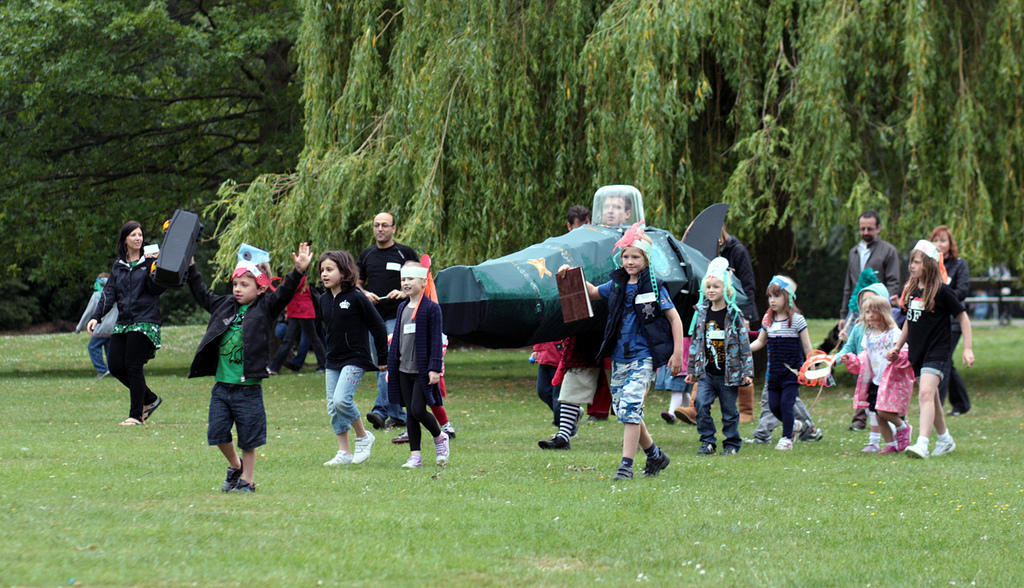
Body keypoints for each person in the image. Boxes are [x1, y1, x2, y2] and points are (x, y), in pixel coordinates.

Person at [556, 223, 682, 479]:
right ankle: (656, 456)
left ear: (646, 258)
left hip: (643, 357)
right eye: (626, 256)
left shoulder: (655, 287)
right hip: (620, 359)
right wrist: (570, 275)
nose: (630, 261)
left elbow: (675, 319)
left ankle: (626, 466)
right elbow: (591, 291)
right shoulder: (616, 285)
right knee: (625, 411)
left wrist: (677, 353)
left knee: (632, 408)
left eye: (635, 256)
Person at [185, 243, 312, 492]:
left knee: (248, 438)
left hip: (248, 388)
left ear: (260, 287)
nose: (238, 289)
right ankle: (235, 466)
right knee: (218, 432)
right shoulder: (224, 305)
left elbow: (284, 293)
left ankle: (248, 481)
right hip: (222, 386)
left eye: (245, 285)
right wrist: (191, 268)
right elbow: (201, 292)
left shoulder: (265, 308)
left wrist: (298, 271)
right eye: (235, 284)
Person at [887, 240, 975, 459]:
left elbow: (963, 317)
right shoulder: (912, 290)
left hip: (938, 351)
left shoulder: (943, 292)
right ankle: (945, 439)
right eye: (911, 262)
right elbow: (909, 320)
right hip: (918, 352)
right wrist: (898, 346)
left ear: (928, 264)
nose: (911, 266)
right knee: (932, 396)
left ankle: (922, 444)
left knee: (925, 393)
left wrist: (968, 348)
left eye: (916, 262)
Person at [86, 221, 167, 426]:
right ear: (125, 240)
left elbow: (157, 289)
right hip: (124, 322)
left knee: (133, 365)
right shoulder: (118, 266)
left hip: (145, 321)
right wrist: (97, 316)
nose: (138, 238)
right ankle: (149, 399)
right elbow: (109, 293)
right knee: (114, 365)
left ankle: (136, 415)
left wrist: (155, 267)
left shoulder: (150, 262)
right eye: (133, 235)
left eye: (140, 234)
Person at [315, 250, 388, 466]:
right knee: (333, 406)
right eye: (322, 271)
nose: (324, 274)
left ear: (344, 271)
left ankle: (364, 436)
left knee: (341, 400)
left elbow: (378, 327)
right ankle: (344, 452)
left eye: (329, 269)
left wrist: (382, 357)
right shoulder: (324, 300)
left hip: (355, 358)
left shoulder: (357, 297)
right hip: (333, 360)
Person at [839, 211, 902, 430]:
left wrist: (882, 307)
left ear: (878, 228)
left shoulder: (888, 251)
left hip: (879, 314)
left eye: (870, 228)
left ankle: (889, 412)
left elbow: (894, 282)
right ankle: (860, 417)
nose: (866, 232)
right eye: (862, 228)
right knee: (860, 360)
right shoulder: (854, 252)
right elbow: (849, 285)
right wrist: (844, 314)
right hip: (858, 313)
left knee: (877, 363)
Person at [685, 258, 754, 456]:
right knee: (701, 404)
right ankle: (707, 441)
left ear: (726, 289)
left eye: (716, 286)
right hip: (707, 373)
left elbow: (744, 345)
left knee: (729, 411)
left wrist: (747, 371)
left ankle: (732, 442)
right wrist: (691, 370)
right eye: (708, 287)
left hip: (728, 375)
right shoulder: (702, 314)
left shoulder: (733, 315)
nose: (712, 290)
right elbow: (697, 343)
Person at [358, 212, 417, 430]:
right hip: (372, 319)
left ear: (394, 228)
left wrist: (403, 291)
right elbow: (356, 283)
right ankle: (396, 414)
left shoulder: (405, 252)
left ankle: (381, 410)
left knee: (390, 363)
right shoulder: (366, 255)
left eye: (384, 225)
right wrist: (364, 294)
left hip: (398, 317)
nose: (380, 229)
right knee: (383, 366)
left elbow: (421, 280)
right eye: (376, 225)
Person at [388, 260, 449, 468]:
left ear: (423, 281)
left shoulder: (431, 309)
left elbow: (435, 340)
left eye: (410, 278)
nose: (406, 283)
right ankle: (415, 456)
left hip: (422, 371)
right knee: (410, 414)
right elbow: (397, 340)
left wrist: (434, 368)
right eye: (403, 279)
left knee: (418, 410)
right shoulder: (402, 308)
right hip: (403, 369)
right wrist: (392, 368)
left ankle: (440, 436)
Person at [843, 295, 915, 455]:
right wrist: (851, 359)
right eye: (866, 312)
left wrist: (897, 355)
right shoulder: (868, 336)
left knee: (883, 411)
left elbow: (905, 352)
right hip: (876, 381)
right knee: (878, 415)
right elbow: (864, 356)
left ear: (883, 313)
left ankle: (903, 428)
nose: (868, 315)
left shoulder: (894, 333)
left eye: (872, 311)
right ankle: (891, 444)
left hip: (892, 380)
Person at [749, 276, 812, 451]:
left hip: (792, 373)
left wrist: (811, 364)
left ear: (788, 297)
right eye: (770, 296)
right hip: (774, 373)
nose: (772, 300)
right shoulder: (768, 320)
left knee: (786, 404)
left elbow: (807, 346)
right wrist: (745, 349)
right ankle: (793, 425)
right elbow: (760, 342)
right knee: (774, 407)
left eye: (777, 296)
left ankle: (786, 439)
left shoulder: (798, 320)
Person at [836, 283, 892, 452]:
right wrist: (833, 361)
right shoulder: (859, 327)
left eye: (872, 301)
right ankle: (874, 441)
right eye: (864, 302)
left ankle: (897, 434)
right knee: (872, 409)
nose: (867, 306)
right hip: (867, 375)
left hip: (887, 376)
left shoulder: (891, 330)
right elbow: (849, 348)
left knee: (887, 410)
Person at [718, 225, 758, 422]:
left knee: (740, 357)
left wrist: (747, 315)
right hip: (717, 311)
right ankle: (695, 406)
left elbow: (748, 284)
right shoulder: (704, 251)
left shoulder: (736, 250)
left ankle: (746, 410)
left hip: (738, 310)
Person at [931, 225, 971, 416]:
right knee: (948, 362)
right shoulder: (929, 264)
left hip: (953, 321)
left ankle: (935, 404)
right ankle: (961, 403)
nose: (939, 244)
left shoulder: (959, 264)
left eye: (943, 240)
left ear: (950, 243)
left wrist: (943, 299)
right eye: (936, 240)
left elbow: (963, 290)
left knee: (943, 360)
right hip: (934, 321)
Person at [268, 274, 327, 374]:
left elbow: (289, 290)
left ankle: (324, 365)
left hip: (303, 312)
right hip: (296, 312)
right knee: (290, 340)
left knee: (313, 338)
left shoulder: (299, 278)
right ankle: (274, 367)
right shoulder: (300, 278)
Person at [76, 272, 117, 378]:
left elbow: (88, 312)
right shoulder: (116, 294)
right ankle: (113, 371)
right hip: (114, 327)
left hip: (101, 327)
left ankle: (102, 370)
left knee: (92, 347)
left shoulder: (97, 295)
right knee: (110, 349)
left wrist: (79, 327)